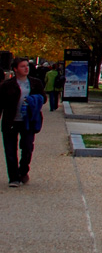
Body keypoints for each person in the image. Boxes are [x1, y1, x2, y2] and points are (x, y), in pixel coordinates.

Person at [1, 59, 46, 187]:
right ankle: (14, 178)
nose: (26, 68)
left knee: (27, 147)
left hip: (28, 121)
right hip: (11, 121)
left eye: (27, 66)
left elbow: (44, 99)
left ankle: (23, 171)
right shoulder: (7, 85)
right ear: (15, 69)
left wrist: (34, 100)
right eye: (22, 66)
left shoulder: (35, 83)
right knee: (10, 150)